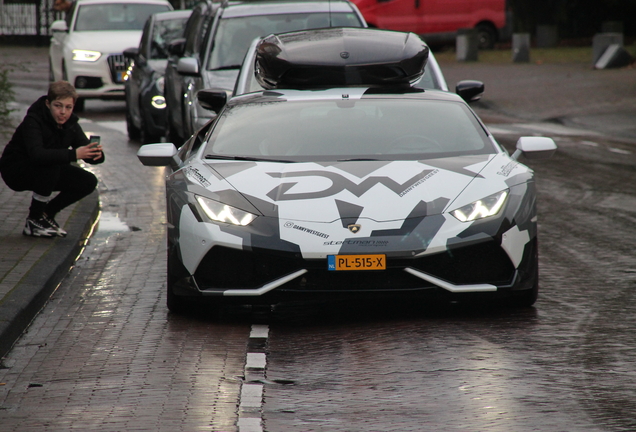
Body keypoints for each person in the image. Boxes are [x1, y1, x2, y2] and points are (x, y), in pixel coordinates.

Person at [0, 81, 105, 237]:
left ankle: (46, 214)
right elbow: (37, 155)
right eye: (58, 106)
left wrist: (96, 154)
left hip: (46, 169)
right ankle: (34, 220)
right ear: (48, 103)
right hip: (15, 170)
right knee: (52, 163)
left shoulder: (71, 124)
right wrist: (74, 154)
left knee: (88, 181)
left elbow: (86, 150)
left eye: (68, 107)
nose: (63, 112)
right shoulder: (33, 120)